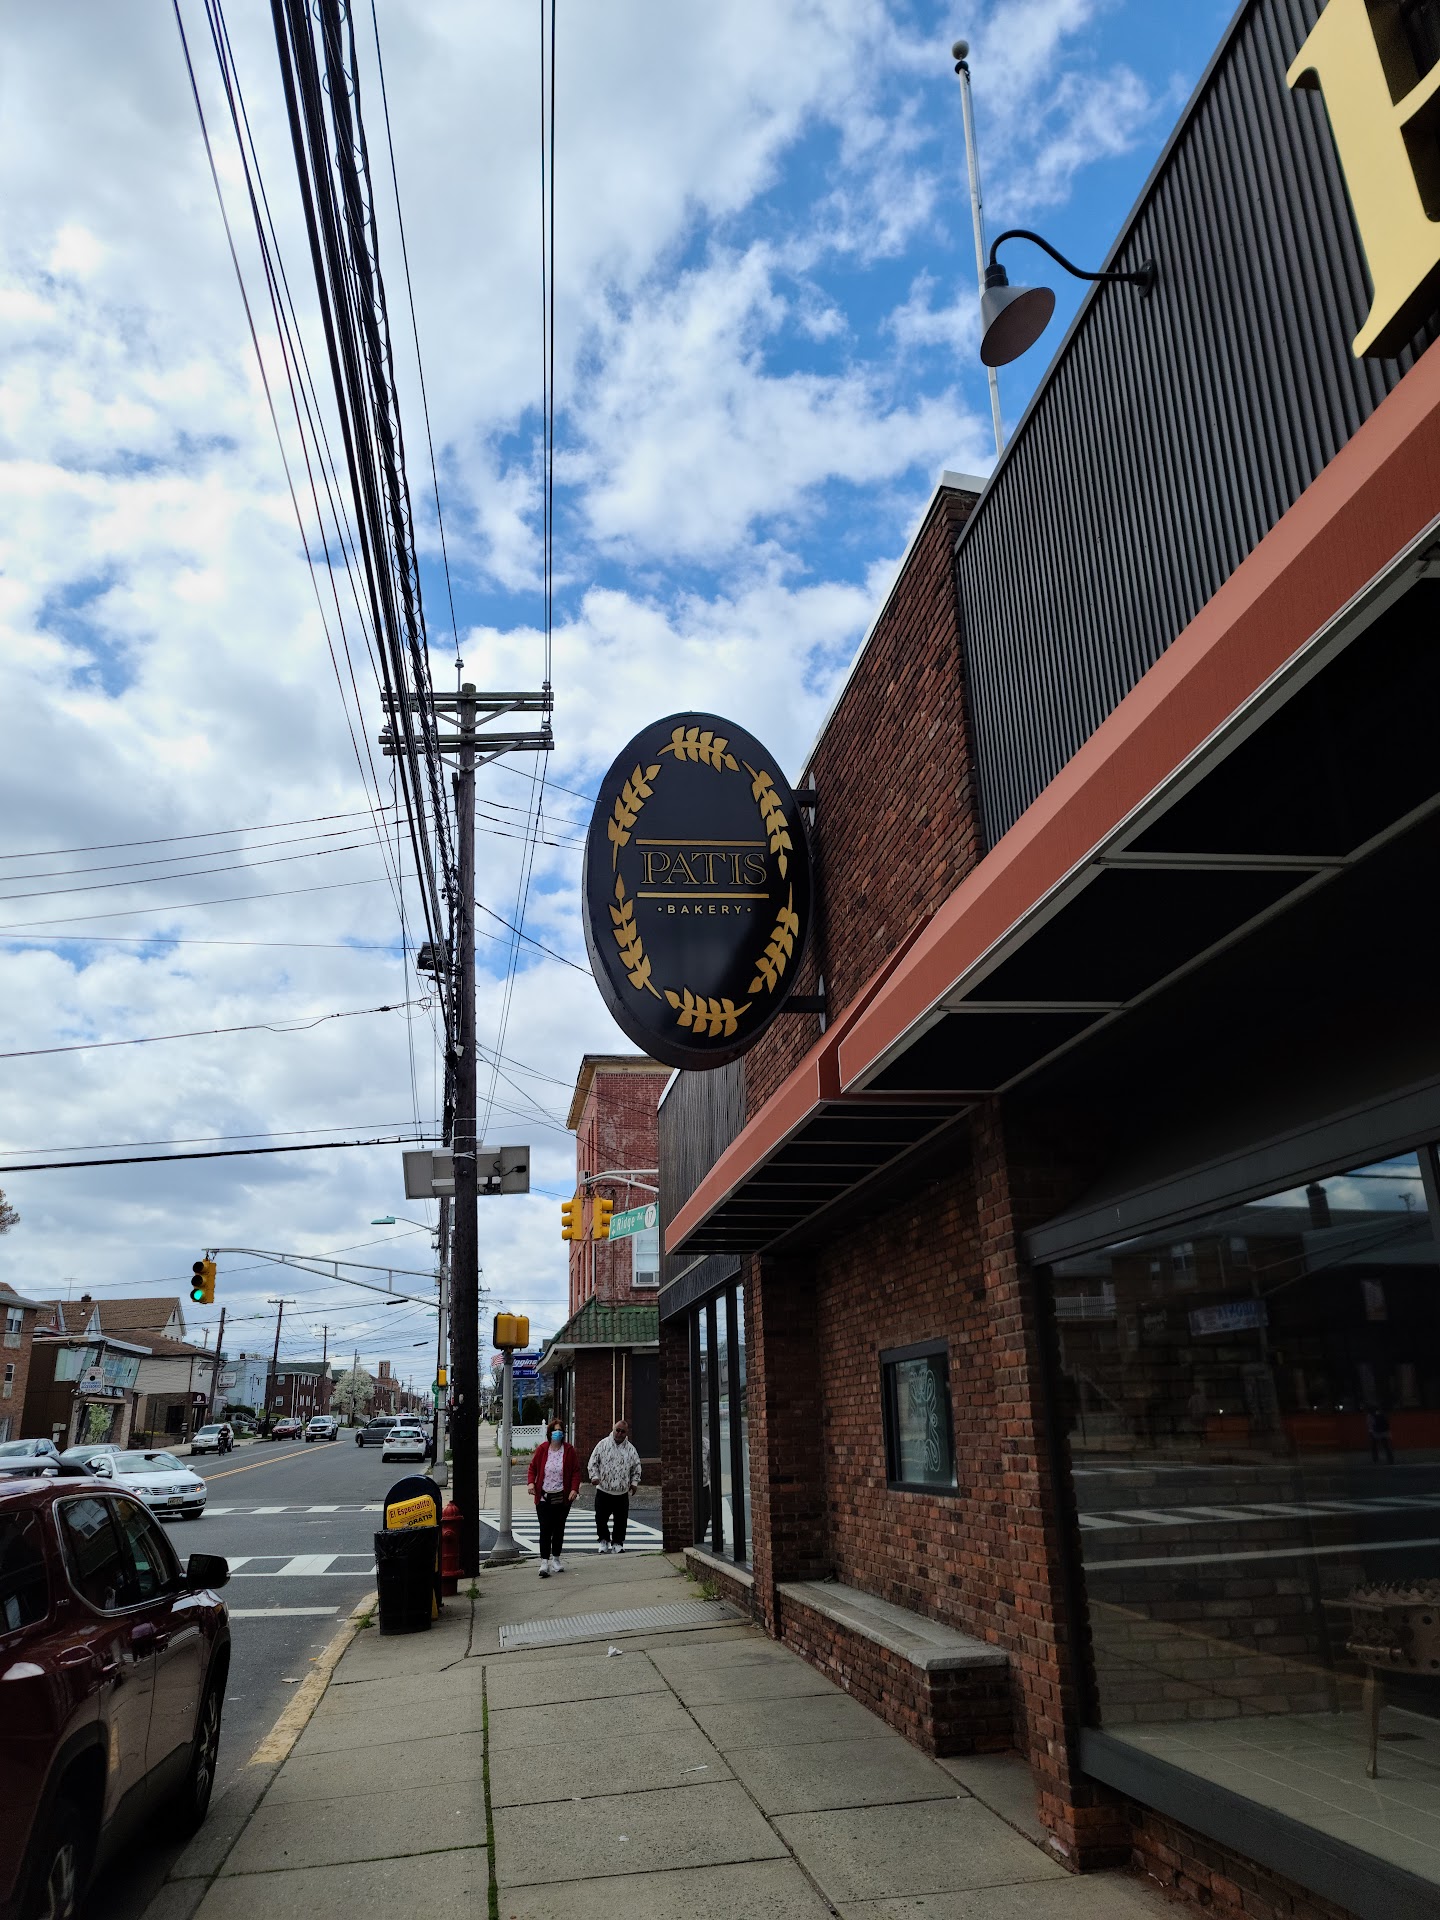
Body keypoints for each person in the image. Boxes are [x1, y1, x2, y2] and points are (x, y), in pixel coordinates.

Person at [527, 1420, 581, 1576]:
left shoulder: (569, 1450)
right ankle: (544, 1562)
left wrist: (574, 1489)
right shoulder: (543, 1449)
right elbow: (533, 1468)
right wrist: (531, 1483)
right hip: (544, 1496)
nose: (557, 1433)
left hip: (562, 1497)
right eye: (555, 1430)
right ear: (549, 1433)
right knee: (545, 1529)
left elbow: (576, 1472)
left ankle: (556, 1559)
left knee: (558, 1529)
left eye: (560, 1430)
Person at [588, 1419, 642, 1553]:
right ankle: (603, 1540)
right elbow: (593, 1462)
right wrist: (594, 1477)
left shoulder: (631, 1449)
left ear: (626, 1433)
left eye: (622, 1431)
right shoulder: (602, 1444)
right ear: (613, 1429)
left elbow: (636, 1468)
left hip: (621, 1492)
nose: (619, 1433)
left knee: (621, 1520)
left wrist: (634, 1483)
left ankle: (617, 1543)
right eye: (617, 1430)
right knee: (601, 1519)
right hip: (604, 1490)